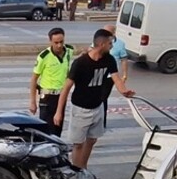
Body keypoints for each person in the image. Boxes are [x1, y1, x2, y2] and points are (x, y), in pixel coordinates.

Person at [54, 28, 136, 169]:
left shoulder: (109, 59)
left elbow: (116, 78)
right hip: (80, 109)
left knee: (92, 140)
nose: (112, 46)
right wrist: (59, 112)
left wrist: (124, 91)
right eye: (110, 43)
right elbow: (66, 88)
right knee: (78, 144)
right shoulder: (80, 63)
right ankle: (77, 171)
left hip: (97, 106)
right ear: (102, 44)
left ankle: (83, 168)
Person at [29, 27, 74, 135]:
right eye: (56, 42)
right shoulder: (44, 56)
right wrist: (32, 102)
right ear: (50, 42)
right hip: (48, 98)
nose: (59, 45)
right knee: (47, 130)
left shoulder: (69, 51)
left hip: (61, 96)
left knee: (58, 128)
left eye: (61, 42)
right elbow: (34, 79)